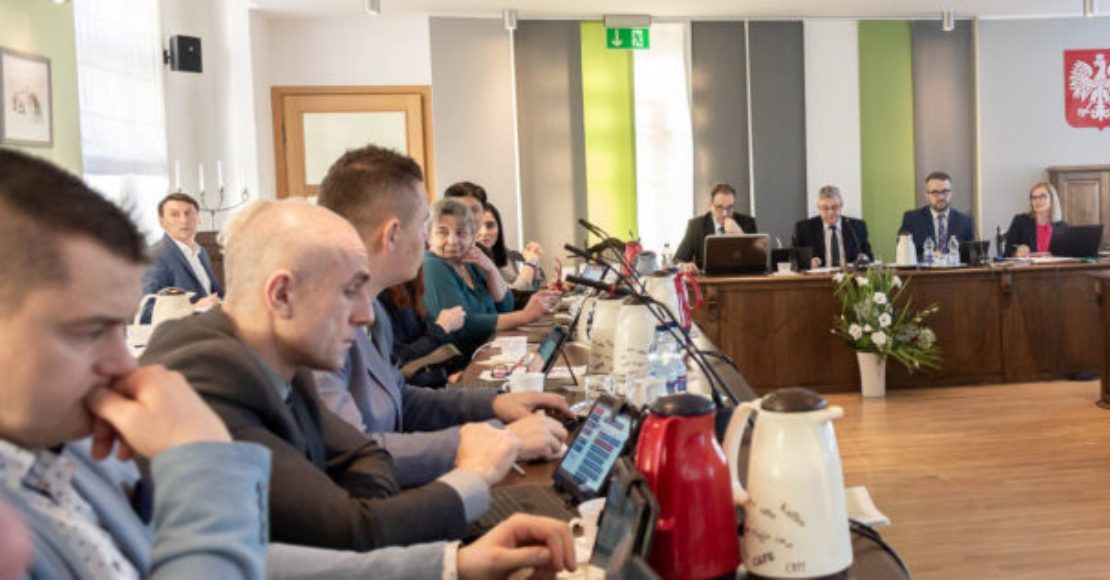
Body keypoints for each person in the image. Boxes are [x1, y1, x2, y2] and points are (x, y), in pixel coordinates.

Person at [0, 149, 580, 580]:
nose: (121, 364)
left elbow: (251, 558)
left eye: (118, 328)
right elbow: (343, 516)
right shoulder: (200, 375)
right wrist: (201, 463)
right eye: (87, 331)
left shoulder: (71, 453)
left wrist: (453, 565)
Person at [141, 199, 522, 550]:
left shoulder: (280, 352)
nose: (366, 314)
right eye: (349, 291)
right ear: (281, 295)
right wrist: (474, 474)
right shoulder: (209, 378)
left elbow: (365, 454)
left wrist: (359, 502)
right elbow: (352, 530)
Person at [315, 145, 571, 489]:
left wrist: (497, 403)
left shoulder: (373, 310)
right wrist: (498, 440)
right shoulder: (320, 327)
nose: (427, 238)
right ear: (392, 234)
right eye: (424, 225)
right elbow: (356, 457)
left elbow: (402, 399)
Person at [424, 198, 562, 359]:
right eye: (442, 232)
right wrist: (525, 315)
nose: (452, 240)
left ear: (472, 237)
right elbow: (463, 325)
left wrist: (491, 270)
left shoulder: (469, 262)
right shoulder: (431, 264)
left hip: (492, 351)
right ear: (429, 237)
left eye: (461, 233)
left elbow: (506, 306)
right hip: (463, 362)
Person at [380, 269, 466, 388]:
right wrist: (441, 328)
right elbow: (398, 357)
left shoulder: (409, 282)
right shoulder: (381, 296)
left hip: (430, 376)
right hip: (411, 384)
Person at [141, 193, 222, 312]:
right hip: (184, 324)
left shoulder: (201, 252)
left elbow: (214, 294)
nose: (184, 220)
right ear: (162, 222)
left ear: (198, 219)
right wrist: (192, 308)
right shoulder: (154, 256)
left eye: (188, 213)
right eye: (174, 214)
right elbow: (145, 310)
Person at [674, 183, 758, 273]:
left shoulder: (748, 223)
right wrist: (684, 265)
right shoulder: (696, 226)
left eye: (730, 207)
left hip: (739, 279)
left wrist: (740, 235)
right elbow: (677, 260)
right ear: (710, 205)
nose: (725, 213)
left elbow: (758, 263)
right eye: (719, 207)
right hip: (707, 280)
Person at [899, 171, 976, 259]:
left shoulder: (965, 221)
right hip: (925, 267)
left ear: (951, 193)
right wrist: (927, 256)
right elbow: (904, 254)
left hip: (954, 267)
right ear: (927, 195)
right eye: (935, 193)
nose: (941, 197)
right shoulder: (912, 219)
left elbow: (970, 257)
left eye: (945, 192)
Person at [793, 185, 872, 268]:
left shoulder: (857, 227)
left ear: (841, 206)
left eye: (834, 207)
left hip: (848, 274)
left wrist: (864, 258)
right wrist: (808, 262)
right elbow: (794, 260)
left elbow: (869, 257)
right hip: (818, 275)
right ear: (818, 208)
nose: (830, 212)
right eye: (825, 208)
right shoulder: (804, 228)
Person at [476, 201, 547, 291]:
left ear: (499, 228)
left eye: (490, 225)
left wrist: (535, 264)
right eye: (477, 226)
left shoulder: (503, 254)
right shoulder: (471, 262)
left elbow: (533, 290)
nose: (484, 232)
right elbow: (514, 294)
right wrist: (530, 263)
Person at [1004, 182, 1067, 257]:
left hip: (1054, 264)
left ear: (1052, 199)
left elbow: (1067, 255)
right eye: (1034, 197)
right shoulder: (1020, 221)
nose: (1037, 200)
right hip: (1028, 265)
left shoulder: (1062, 226)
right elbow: (1007, 253)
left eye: (1042, 196)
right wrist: (1016, 253)